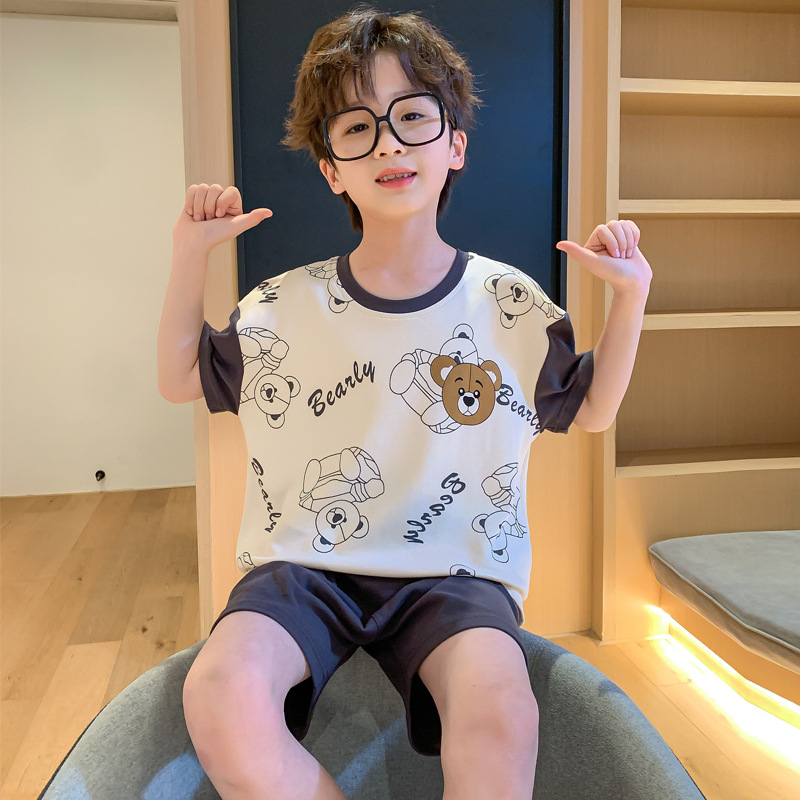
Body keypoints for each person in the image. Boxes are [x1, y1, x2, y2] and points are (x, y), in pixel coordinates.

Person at [157, 6, 652, 800]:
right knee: (219, 693)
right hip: (301, 567)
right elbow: (181, 376)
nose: (388, 142)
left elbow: (591, 409)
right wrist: (190, 254)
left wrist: (630, 301)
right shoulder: (280, 305)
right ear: (331, 168)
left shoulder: (510, 304)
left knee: (502, 711)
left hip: (456, 571)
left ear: (455, 145)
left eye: (413, 117)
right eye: (358, 127)